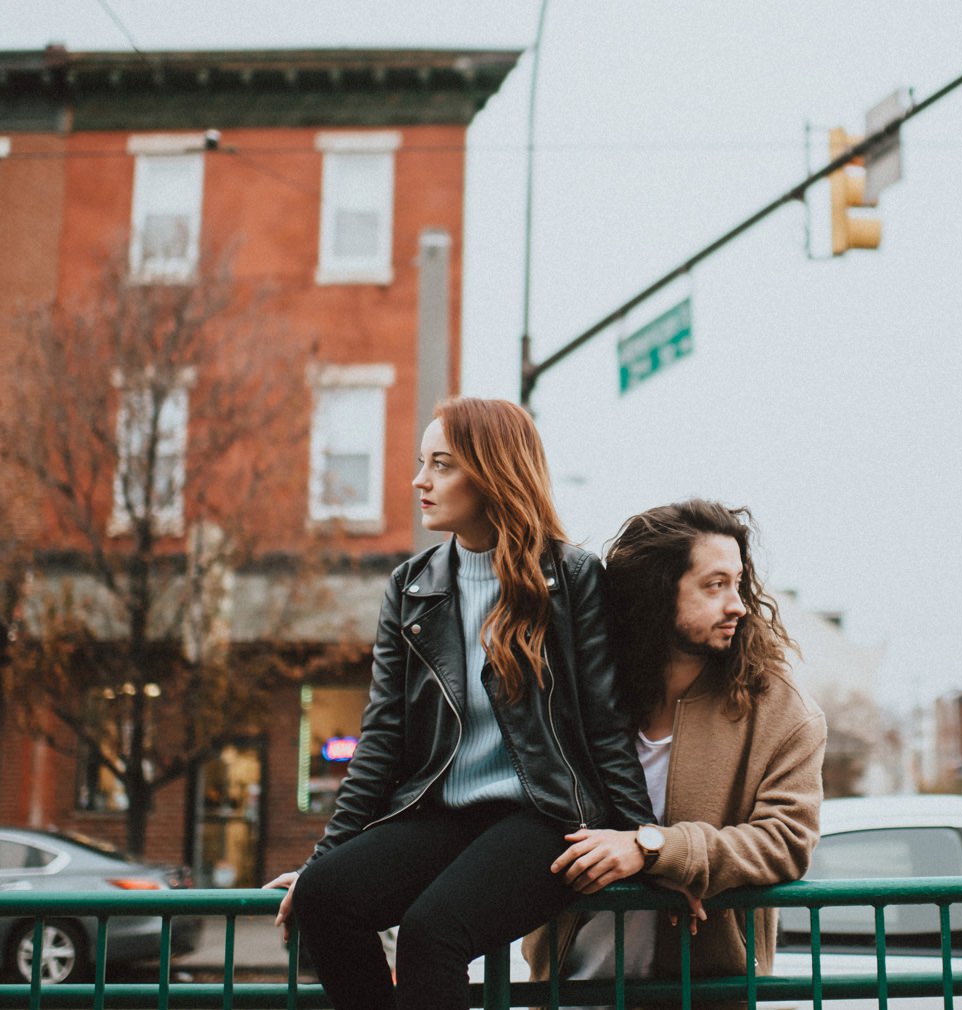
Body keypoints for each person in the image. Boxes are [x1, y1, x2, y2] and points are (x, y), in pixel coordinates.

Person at [264, 397, 655, 1010]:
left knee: (431, 933)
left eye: (442, 465)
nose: (420, 480)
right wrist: (325, 861)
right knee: (324, 899)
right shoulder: (411, 586)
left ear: (494, 471)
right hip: (440, 810)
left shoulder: (573, 577)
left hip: (547, 815)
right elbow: (383, 738)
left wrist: (639, 842)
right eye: (423, 463)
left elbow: (606, 725)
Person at [524, 498, 827, 1000]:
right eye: (715, 586)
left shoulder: (780, 711)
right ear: (656, 593)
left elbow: (785, 842)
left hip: (704, 988)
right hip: (571, 983)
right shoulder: (584, 693)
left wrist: (655, 849)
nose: (739, 605)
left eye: (738, 583)